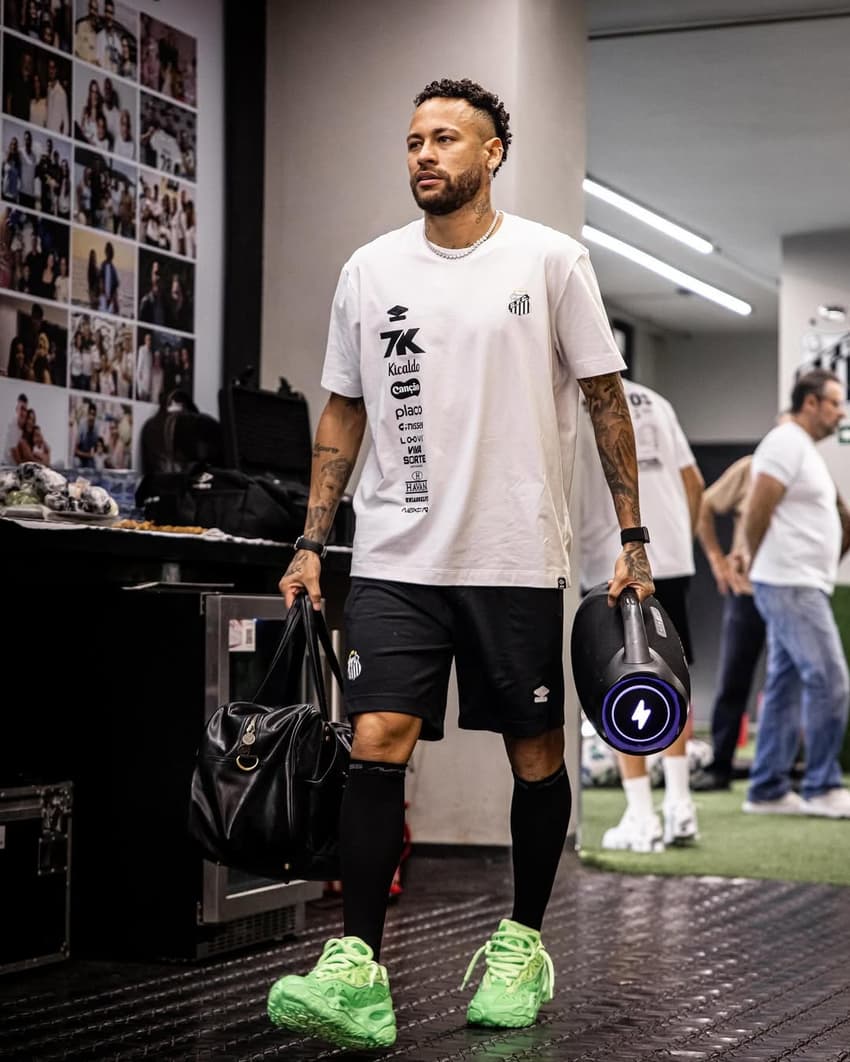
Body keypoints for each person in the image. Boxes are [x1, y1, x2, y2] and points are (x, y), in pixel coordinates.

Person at [266, 77, 654, 1051]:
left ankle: (522, 943)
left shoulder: (551, 261)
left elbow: (606, 401)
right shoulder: (369, 269)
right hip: (397, 552)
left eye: (445, 138)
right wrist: (314, 540)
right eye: (411, 141)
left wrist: (632, 538)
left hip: (514, 555)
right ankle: (358, 970)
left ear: (492, 154)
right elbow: (343, 409)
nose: (423, 155)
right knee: (376, 739)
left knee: (533, 754)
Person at [577, 377, 704, 851]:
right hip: (668, 555)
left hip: (615, 558)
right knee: (674, 678)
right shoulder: (658, 400)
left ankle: (641, 814)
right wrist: (679, 543)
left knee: (619, 681)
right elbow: (695, 484)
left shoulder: (574, 399)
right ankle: (679, 806)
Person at [742, 368, 850, 818]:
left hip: (803, 582)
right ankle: (822, 785)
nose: (841, 413)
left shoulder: (803, 449)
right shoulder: (786, 441)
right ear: (810, 403)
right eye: (834, 404)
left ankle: (767, 789)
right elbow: (757, 508)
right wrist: (752, 560)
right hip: (788, 582)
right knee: (830, 680)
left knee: (785, 685)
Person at [693, 453, 766, 790]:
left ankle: (781, 767)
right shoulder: (751, 467)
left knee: (791, 683)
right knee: (733, 678)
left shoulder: (811, 466)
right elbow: (704, 505)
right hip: (746, 591)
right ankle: (719, 765)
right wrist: (718, 561)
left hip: (792, 592)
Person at [45, 58, 69, 136]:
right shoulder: (48, 89)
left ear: (56, 70)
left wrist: (63, 137)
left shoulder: (62, 93)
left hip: (56, 133)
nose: (51, 71)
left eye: (53, 68)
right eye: (49, 68)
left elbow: (66, 121)